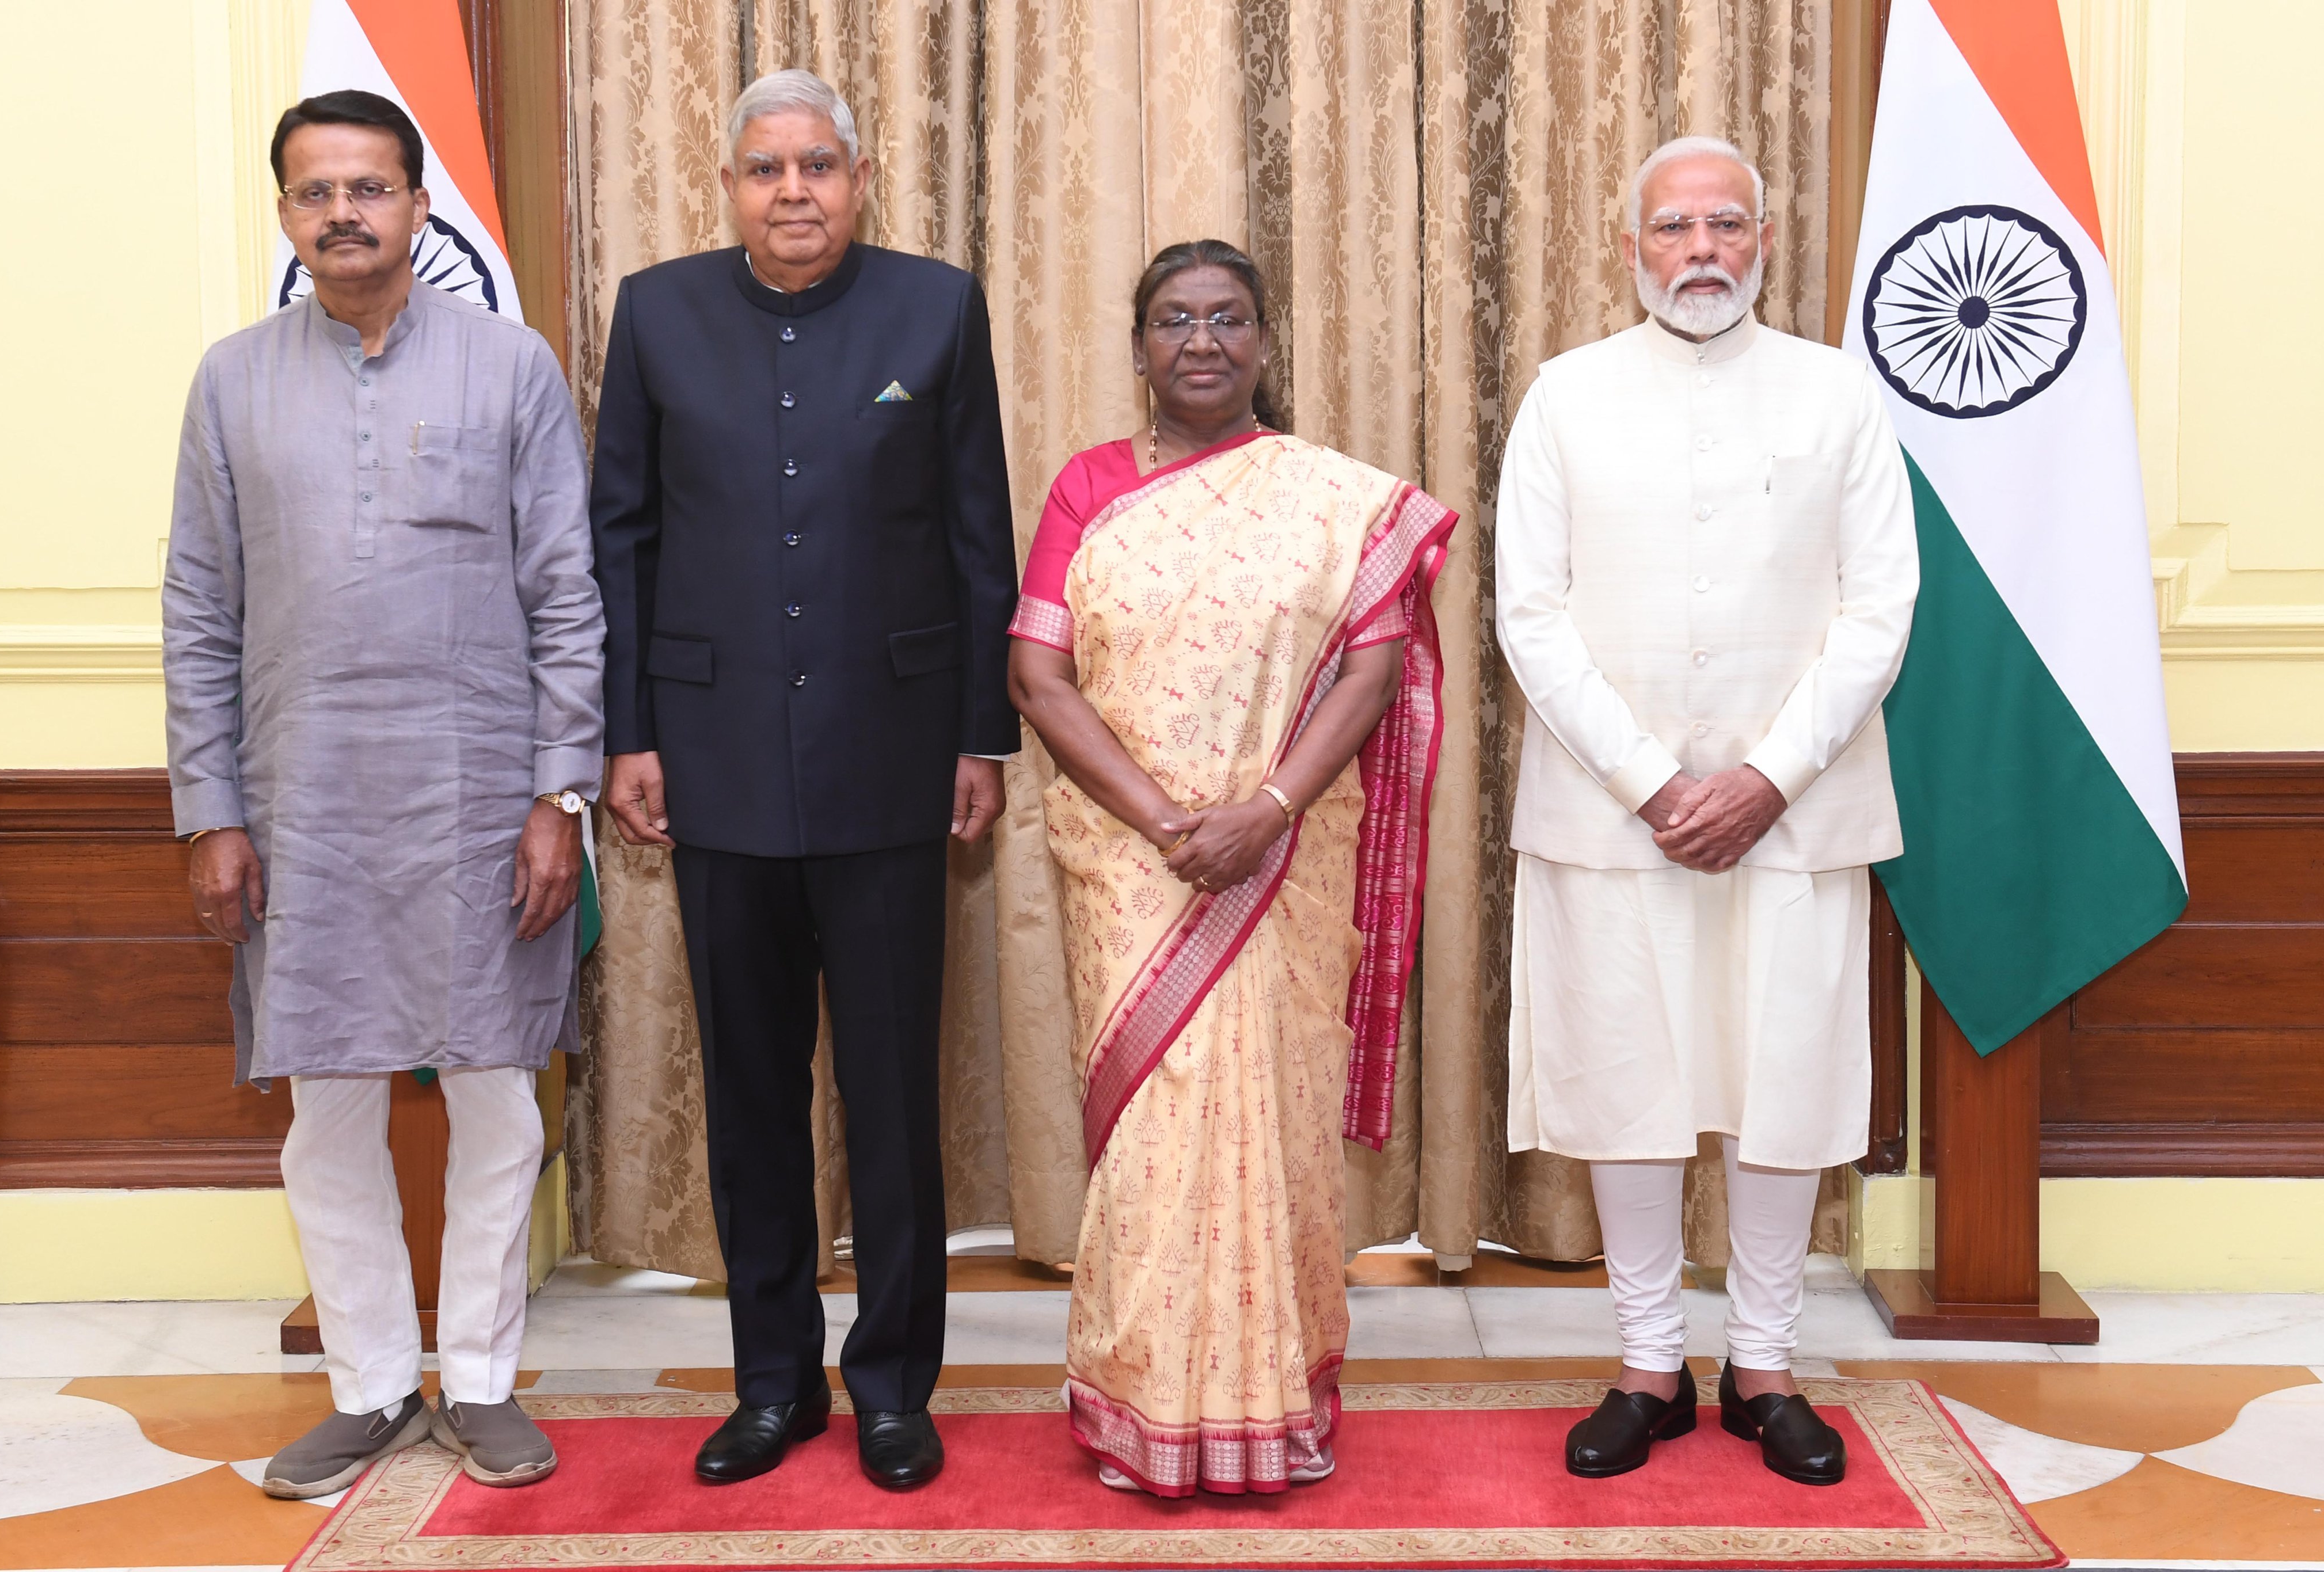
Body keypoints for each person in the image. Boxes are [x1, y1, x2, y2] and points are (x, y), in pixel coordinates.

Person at [164, 90, 602, 1498]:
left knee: (495, 1090)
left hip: (479, 797)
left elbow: (566, 597)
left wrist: (561, 796)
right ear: (285, 214)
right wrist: (211, 810)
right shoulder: (232, 379)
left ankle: (478, 1377)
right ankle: (365, 1384)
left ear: (421, 208)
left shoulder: (511, 366)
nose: (343, 212)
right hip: (302, 806)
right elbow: (196, 610)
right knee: (329, 1104)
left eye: (370, 187)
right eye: (315, 191)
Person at [588, 69, 1019, 1491]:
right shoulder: (656, 313)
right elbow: (623, 540)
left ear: (860, 177)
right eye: (766, 168)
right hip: (711, 775)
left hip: (893, 769)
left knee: (892, 1103)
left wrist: (981, 735)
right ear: (729, 186)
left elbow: (976, 539)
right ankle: (772, 1385)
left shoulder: (934, 308)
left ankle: (893, 1385)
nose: (793, 191)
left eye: (819, 166)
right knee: (752, 1100)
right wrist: (627, 733)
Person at [1494, 135, 1917, 1486]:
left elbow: (1878, 609)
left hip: (1795, 814)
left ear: (1762, 243)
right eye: (1671, 228)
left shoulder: (1837, 395)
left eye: (1722, 225)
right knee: (1630, 1086)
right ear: (1630, 250)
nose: (1698, 251)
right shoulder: (1563, 397)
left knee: (1776, 1084)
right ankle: (1643, 1364)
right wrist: (1656, 784)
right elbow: (1529, 614)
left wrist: (1762, 777)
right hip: (1610, 815)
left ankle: (1765, 1366)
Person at [1010, 240, 1455, 1497]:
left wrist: (1264, 809)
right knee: (1155, 1139)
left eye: (1226, 318)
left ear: (1264, 340)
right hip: (1133, 866)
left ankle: (1270, 1409)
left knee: (1271, 1129)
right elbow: (1037, 676)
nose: (1199, 340)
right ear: (1139, 344)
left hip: (1280, 860)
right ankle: (1142, 1410)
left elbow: (1369, 667)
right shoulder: (1085, 488)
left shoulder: (1330, 497)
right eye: (1171, 319)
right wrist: (1165, 820)